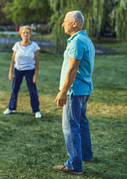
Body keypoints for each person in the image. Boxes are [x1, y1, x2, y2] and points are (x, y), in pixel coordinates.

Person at [53, 11, 95, 175]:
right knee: (81, 122)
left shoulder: (77, 41)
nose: (63, 24)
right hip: (84, 89)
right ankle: (85, 154)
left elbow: (73, 68)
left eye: (65, 21)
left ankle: (74, 165)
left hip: (74, 91)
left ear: (75, 23)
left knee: (70, 127)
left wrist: (63, 91)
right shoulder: (86, 39)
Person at [4, 26, 42, 118]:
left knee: (32, 91)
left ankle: (36, 110)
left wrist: (35, 75)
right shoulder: (17, 45)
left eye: (27, 33)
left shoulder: (34, 46)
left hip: (30, 70)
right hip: (18, 70)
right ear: (21, 34)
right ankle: (11, 108)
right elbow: (13, 60)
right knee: (14, 89)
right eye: (24, 33)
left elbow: (37, 62)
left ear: (30, 34)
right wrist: (11, 71)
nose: (25, 35)